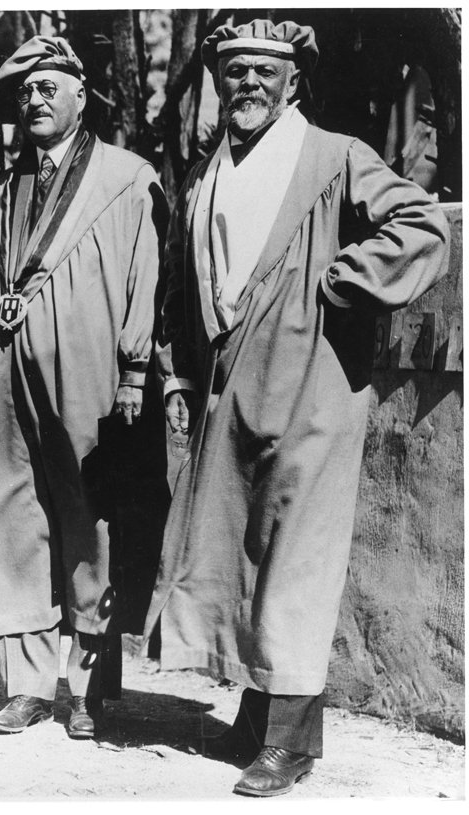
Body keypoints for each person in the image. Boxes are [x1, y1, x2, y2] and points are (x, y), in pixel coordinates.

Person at [146, 19, 450, 796]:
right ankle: (257, 713)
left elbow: (419, 226)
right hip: (231, 383)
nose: (247, 83)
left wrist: (344, 280)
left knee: (296, 557)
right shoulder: (206, 173)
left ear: (292, 82)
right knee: (243, 551)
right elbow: (185, 285)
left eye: (263, 72)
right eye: (234, 70)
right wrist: (181, 378)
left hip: (313, 383)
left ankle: (293, 740)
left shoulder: (334, 155)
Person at [0, 36, 169, 739]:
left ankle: (87, 687)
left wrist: (135, 369)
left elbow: (147, 279)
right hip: (5, 373)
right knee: (11, 517)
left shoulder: (128, 178)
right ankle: (27, 685)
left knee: (89, 517)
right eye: (23, 94)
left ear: (80, 95)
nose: (34, 101)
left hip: (90, 369)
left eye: (47, 88)